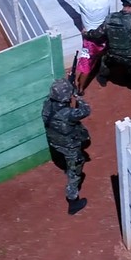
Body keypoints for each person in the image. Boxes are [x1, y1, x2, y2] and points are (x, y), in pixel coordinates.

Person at [39, 0, 114, 94]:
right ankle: (103, 75)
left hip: (90, 38)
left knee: (87, 64)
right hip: (105, 35)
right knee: (105, 55)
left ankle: (80, 89)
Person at [42, 78, 91, 215]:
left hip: (55, 142)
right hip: (69, 146)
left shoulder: (47, 105)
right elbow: (86, 110)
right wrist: (77, 96)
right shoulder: (69, 114)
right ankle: (73, 201)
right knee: (75, 171)